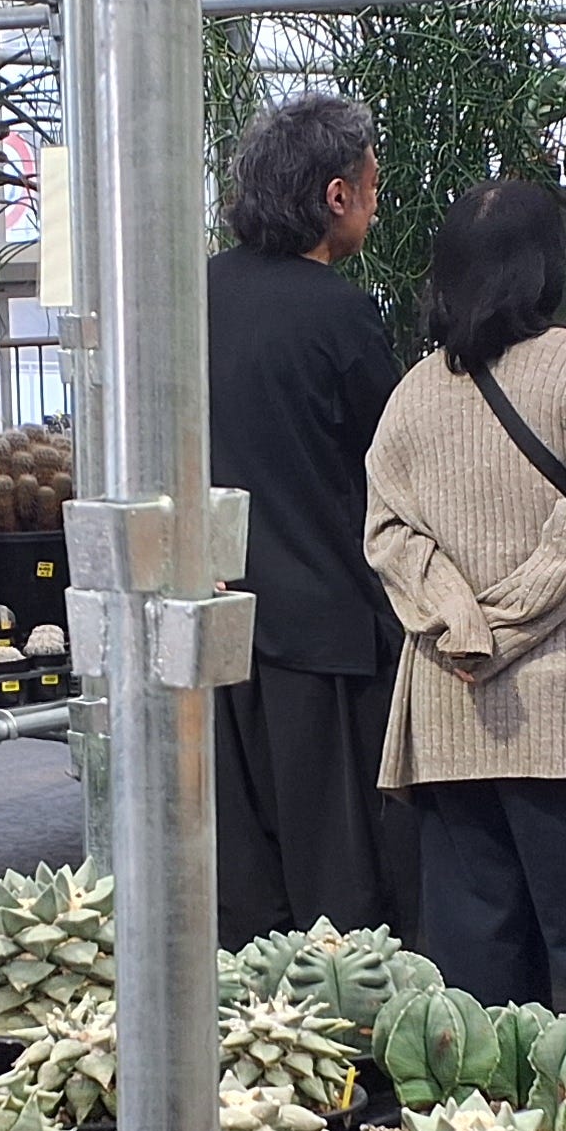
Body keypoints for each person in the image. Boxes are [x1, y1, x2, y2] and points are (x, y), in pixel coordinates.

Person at [362, 177, 566, 1038]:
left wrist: (464, 625)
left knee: (476, 984)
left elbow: (388, 536)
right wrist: (507, 625)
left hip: (452, 714)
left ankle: (488, 1122)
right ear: (549, 265)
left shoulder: (410, 396)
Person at [206, 91, 413, 941]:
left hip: (215, 619)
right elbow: (399, 457)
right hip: (324, 631)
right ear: (336, 195)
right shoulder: (339, 313)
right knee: (340, 875)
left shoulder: (194, 294)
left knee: (242, 873)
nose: (375, 202)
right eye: (372, 186)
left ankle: (247, 1016)